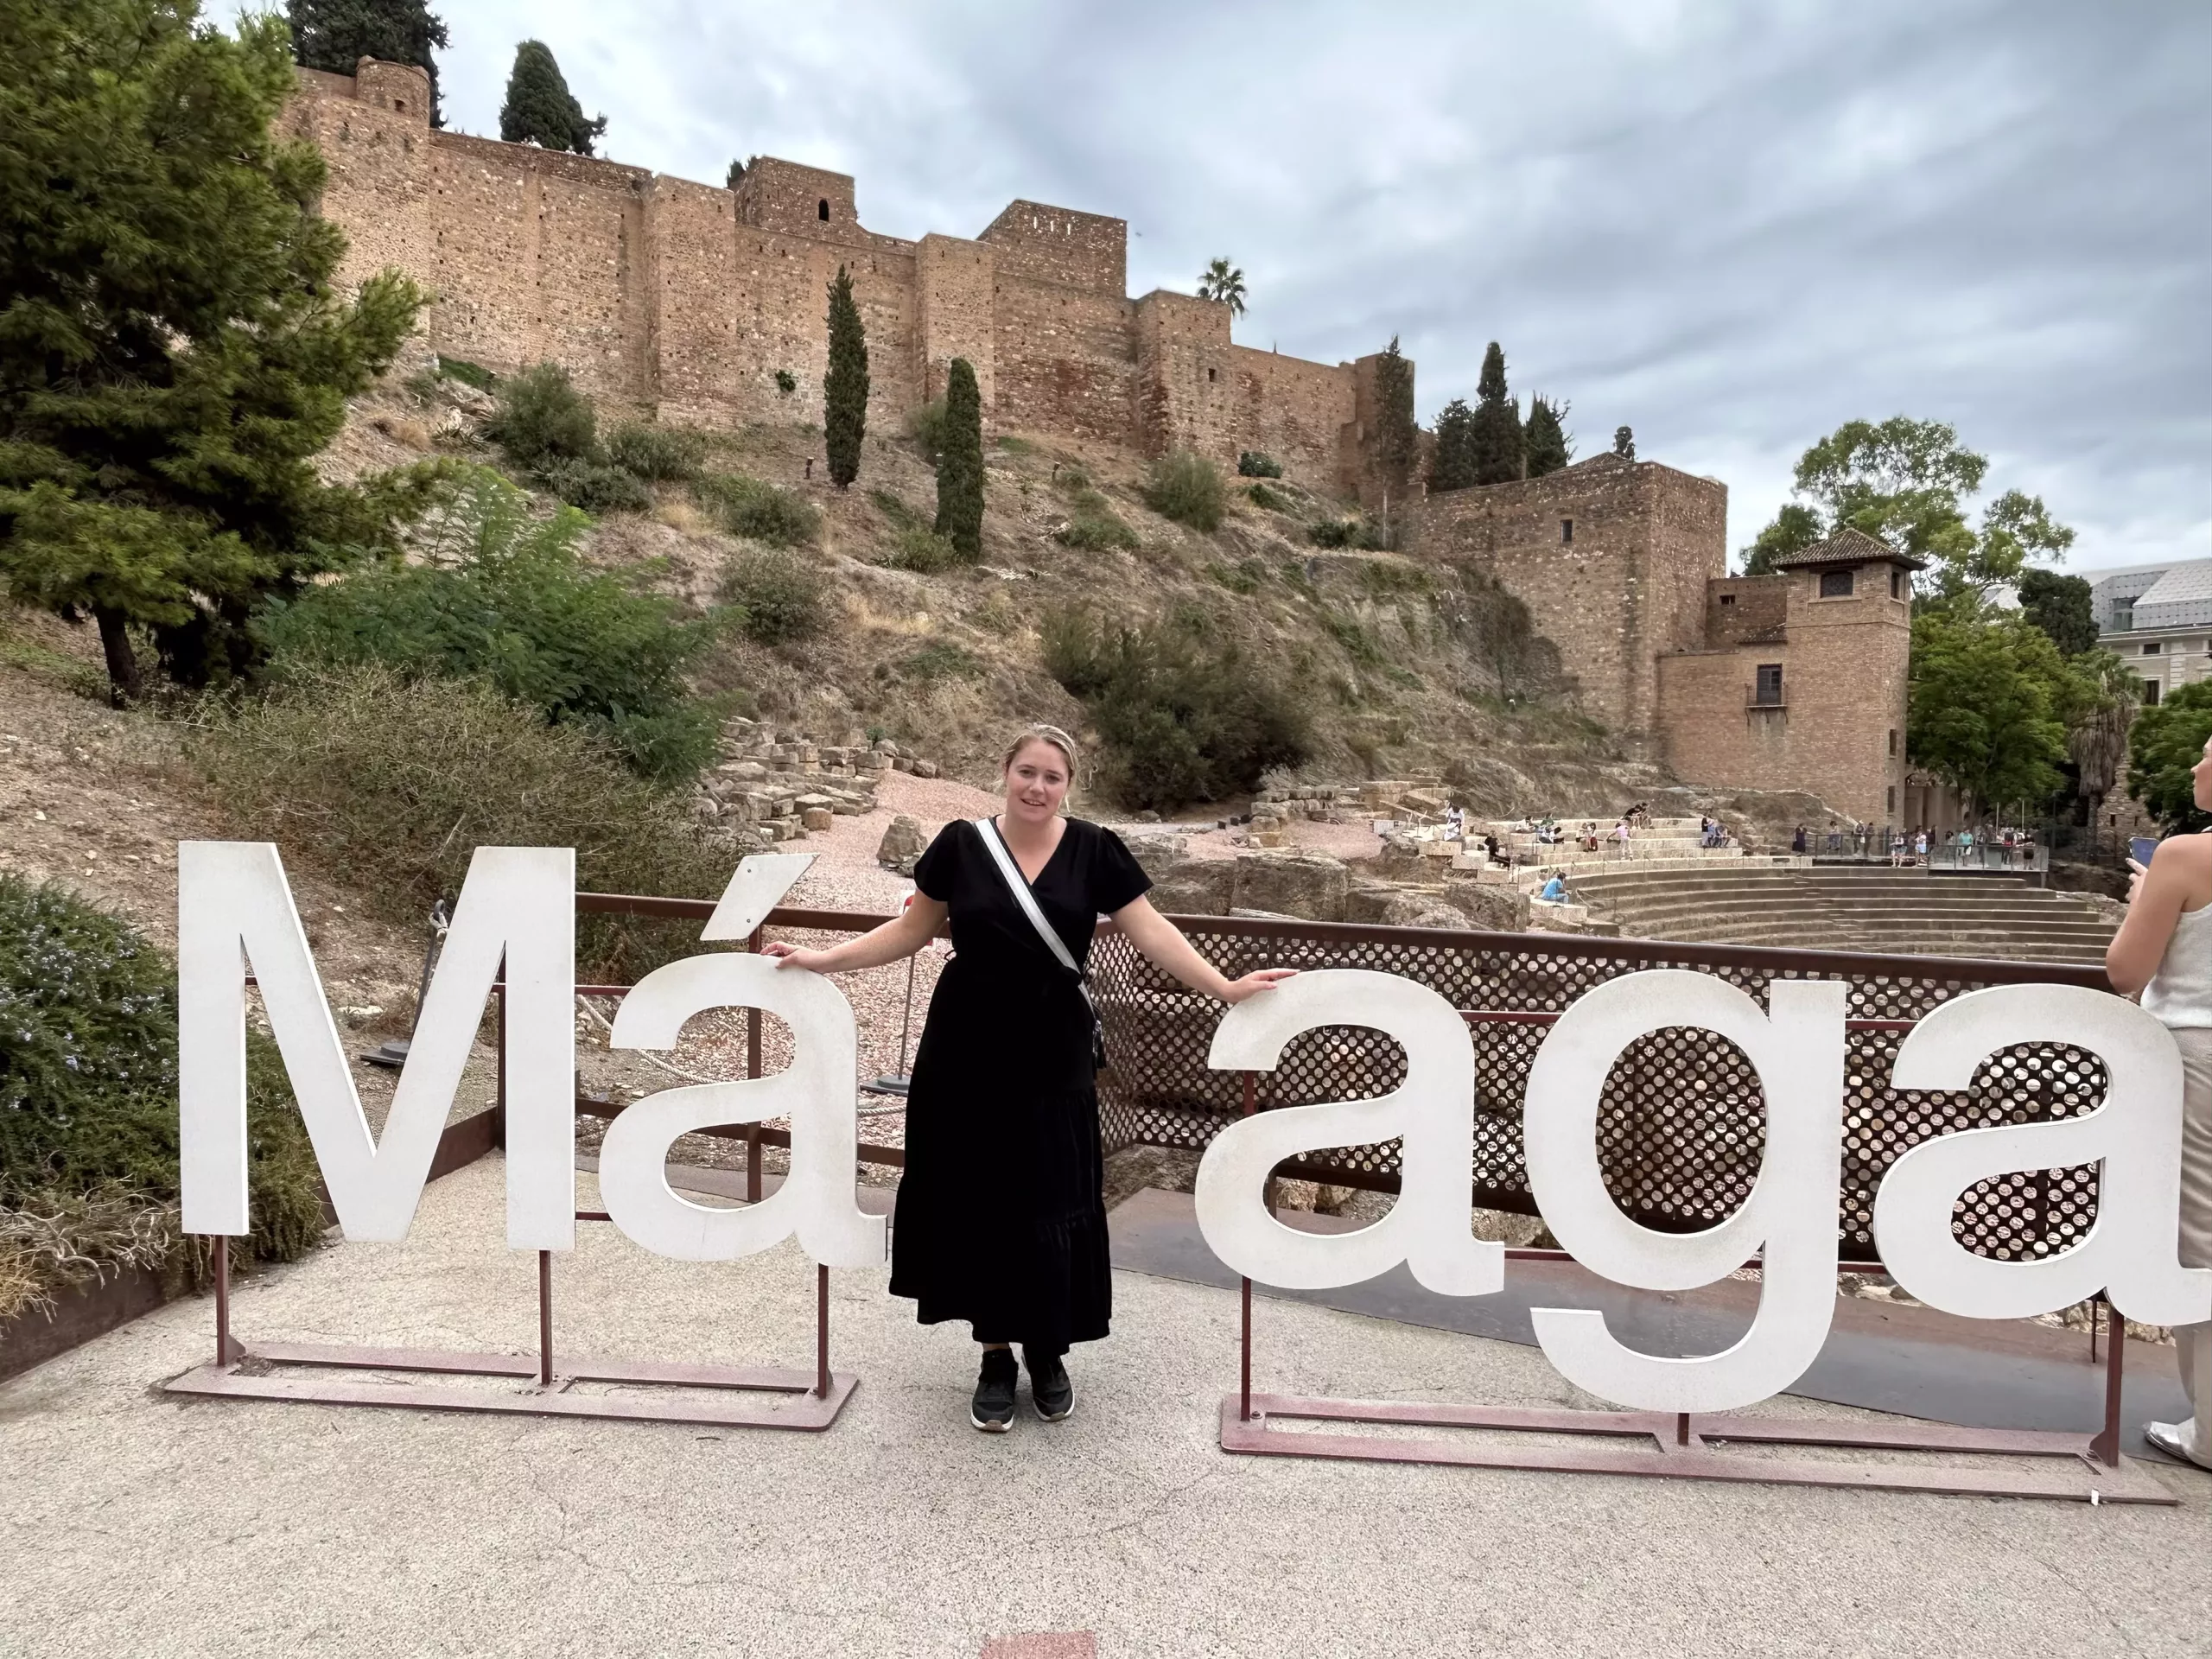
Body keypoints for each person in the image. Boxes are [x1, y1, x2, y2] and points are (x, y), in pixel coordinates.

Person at [766, 724, 1296, 1433]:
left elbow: (1151, 930)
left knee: (1051, 1193)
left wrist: (1224, 986)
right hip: (967, 1045)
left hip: (1054, 1045)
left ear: (1068, 784)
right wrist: (822, 959)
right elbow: (911, 932)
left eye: (1052, 776)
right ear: (1004, 772)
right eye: (1026, 772)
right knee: (978, 1195)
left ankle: (1047, 1349)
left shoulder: (1095, 850)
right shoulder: (961, 844)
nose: (1037, 787)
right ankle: (993, 1355)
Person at [2101, 732, 2212, 1471]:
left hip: (2198, 1058)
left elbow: (2124, 970)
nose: (2198, 766)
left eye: (2210, 754)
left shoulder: (2184, 857)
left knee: (2202, 1241)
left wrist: (2147, 900)